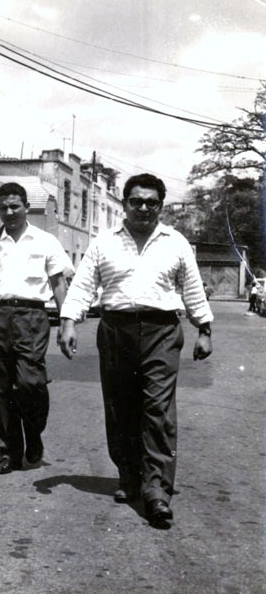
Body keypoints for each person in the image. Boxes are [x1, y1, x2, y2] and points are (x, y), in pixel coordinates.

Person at [58, 173, 213, 527]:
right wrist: (68, 322)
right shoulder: (104, 243)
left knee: (157, 408)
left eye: (151, 202)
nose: (143, 208)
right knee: (120, 406)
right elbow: (83, 285)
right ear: (125, 204)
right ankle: (129, 476)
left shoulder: (176, 242)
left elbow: (192, 288)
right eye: (136, 201)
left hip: (161, 330)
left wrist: (204, 329)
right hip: (115, 329)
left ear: (161, 206)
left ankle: (157, 489)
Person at [0, 181, 74, 473]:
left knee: (31, 383)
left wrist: (67, 322)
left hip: (32, 317)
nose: (9, 212)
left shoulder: (45, 241)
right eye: (3, 207)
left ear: (27, 207)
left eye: (15, 206)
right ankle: (8, 452)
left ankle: (34, 433)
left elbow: (58, 283)